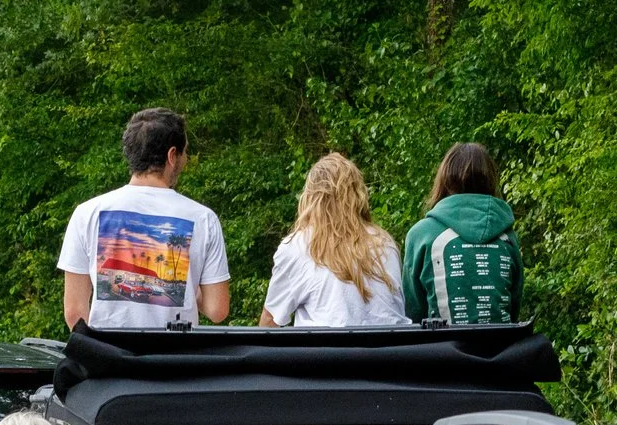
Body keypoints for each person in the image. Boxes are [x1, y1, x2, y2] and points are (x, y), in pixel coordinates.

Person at [59, 108, 232, 330]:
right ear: (172, 156)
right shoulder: (204, 218)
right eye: (185, 152)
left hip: (107, 358)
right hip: (176, 359)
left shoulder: (86, 213)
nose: (185, 159)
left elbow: (74, 312)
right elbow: (217, 310)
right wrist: (182, 285)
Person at [258, 152, 409, 328]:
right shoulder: (384, 242)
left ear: (311, 197)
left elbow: (270, 322)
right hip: (390, 352)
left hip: (326, 353)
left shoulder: (297, 246)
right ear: (357, 194)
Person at [402, 142, 522, 325]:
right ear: (490, 180)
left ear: (445, 180)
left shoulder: (421, 235)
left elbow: (413, 311)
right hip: (502, 348)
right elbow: (513, 305)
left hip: (441, 349)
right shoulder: (507, 236)